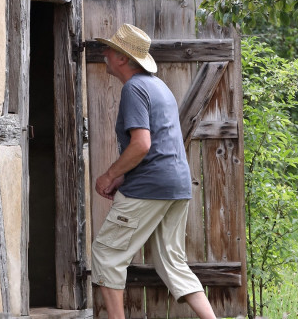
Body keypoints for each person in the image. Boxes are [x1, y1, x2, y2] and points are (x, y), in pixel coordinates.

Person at [91, 23, 216, 319]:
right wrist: (124, 174)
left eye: (109, 49)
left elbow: (142, 145)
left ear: (122, 58)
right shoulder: (158, 86)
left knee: (107, 254)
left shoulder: (134, 88)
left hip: (150, 187)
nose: (104, 53)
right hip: (176, 185)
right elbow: (158, 145)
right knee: (172, 262)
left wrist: (109, 175)